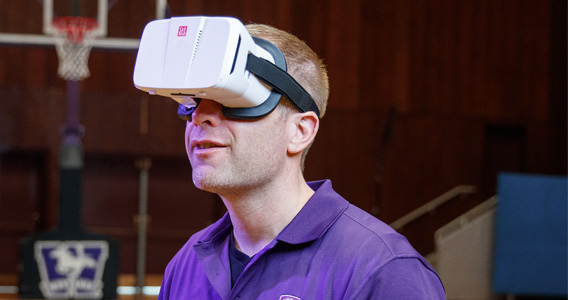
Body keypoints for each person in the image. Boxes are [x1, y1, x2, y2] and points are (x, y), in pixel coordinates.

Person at [155, 23, 447, 299]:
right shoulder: (186, 264)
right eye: (194, 101)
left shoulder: (382, 269)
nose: (199, 116)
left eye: (233, 100)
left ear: (300, 131)